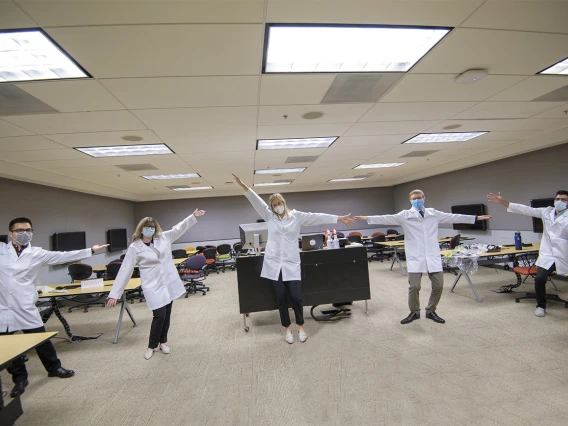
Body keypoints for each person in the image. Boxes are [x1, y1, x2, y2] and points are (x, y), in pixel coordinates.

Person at [232, 173, 355, 343]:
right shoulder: (270, 216)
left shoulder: (296, 216)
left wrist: (338, 218)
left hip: (291, 263)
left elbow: (316, 216)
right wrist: (243, 185)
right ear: (272, 207)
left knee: (296, 297)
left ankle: (301, 326)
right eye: (274, 205)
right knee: (281, 298)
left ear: (284, 203)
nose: (277, 206)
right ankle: (287, 329)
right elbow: (256, 200)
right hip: (275, 264)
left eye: (279, 203)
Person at [0, 217, 108, 397]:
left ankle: (54, 368)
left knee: (41, 340)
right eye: (19, 230)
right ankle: (19, 377)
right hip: (3, 307)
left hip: (25, 305)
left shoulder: (37, 253)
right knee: (6, 345)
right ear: (11, 233)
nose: (24, 233)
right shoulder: (2, 251)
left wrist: (90, 250)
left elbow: (63, 256)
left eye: (28, 230)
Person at [354, 190, 491, 324]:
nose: (416, 200)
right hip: (415, 256)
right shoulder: (405, 215)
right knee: (414, 287)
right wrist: (367, 218)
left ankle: (431, 310)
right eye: (413, 198)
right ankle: (414, 312)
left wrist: (476, 218)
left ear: (424, 198)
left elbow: (453, 216)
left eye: (419, 198)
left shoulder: (433, 213)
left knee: (438, 285)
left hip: (432, 255)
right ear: (410, 201)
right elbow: (386, 218)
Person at [106, 209, 205, 359]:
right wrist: (114, 294)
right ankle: (151, 345)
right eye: (147, 227)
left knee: (167, 314)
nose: (150, 229)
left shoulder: (163, 238)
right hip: (152, 285)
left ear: (155, 228)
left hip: (168, 281)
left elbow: (179, 228)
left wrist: (192, 217)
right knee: (159, 315)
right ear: (141, 229)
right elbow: (125, 270)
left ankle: (163, 342)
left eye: (152, 227)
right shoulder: (135, 247)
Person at [487, 191, 568, 317]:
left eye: (564, 199)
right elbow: (525, 210)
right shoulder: (547, 212)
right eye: (558, 199)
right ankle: (541, 305)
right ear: (554, 201)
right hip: (547, 255)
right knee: (540, 279)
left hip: (564, 254)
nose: (560, 202)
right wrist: (503, 202)